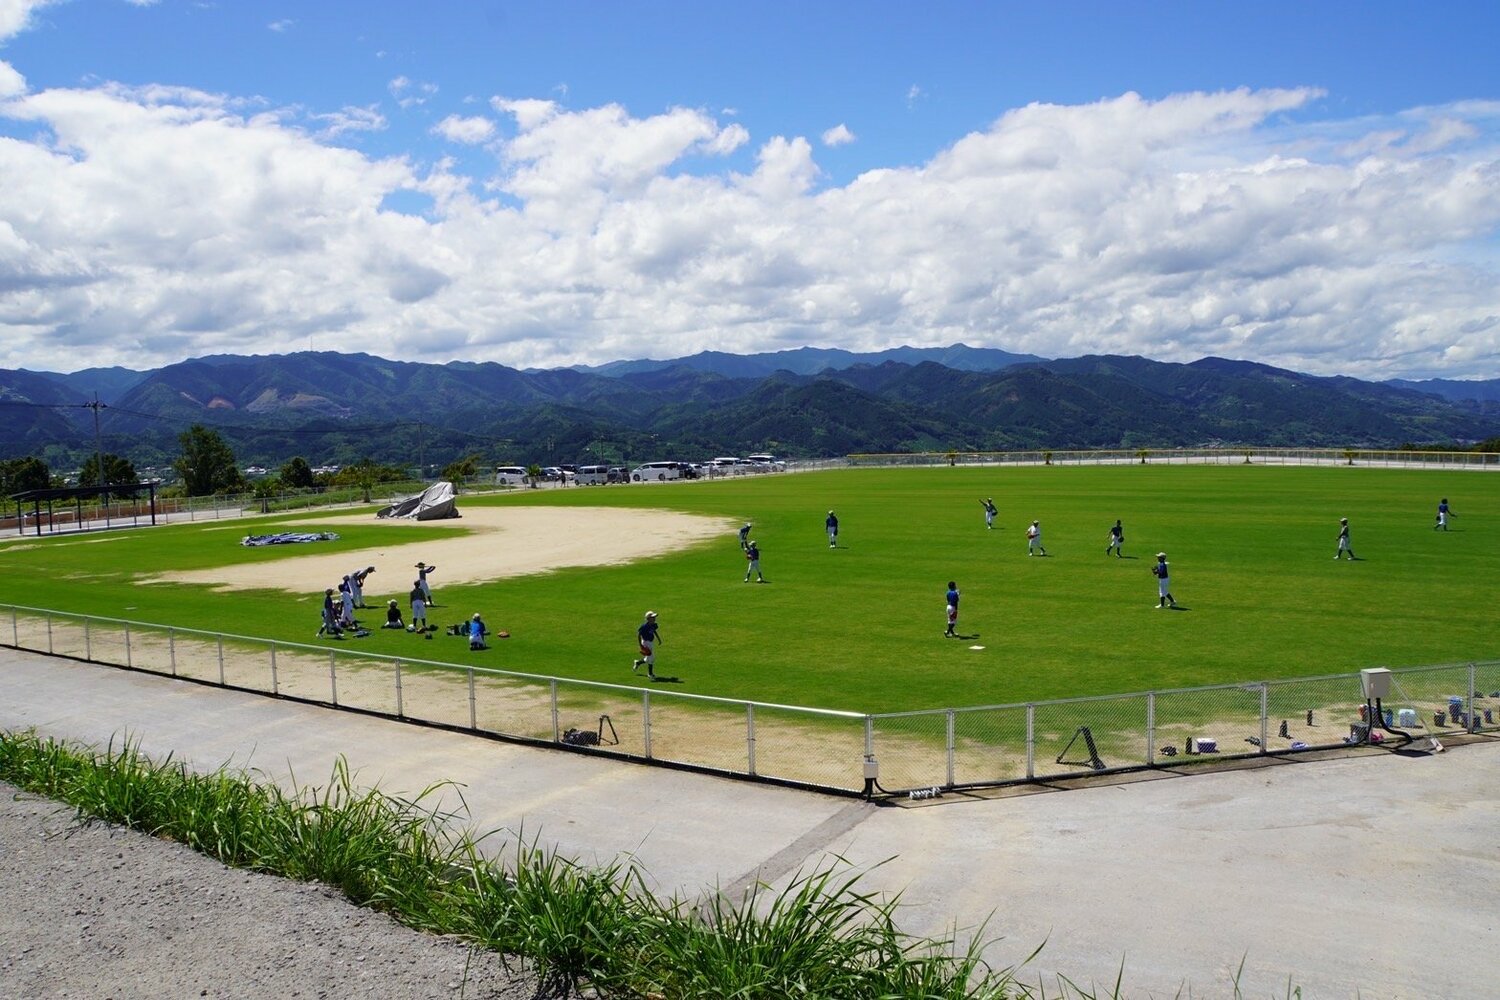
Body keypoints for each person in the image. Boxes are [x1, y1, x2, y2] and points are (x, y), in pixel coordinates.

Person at [632, 610, 661, 680]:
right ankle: (650, 674)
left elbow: (654, 631)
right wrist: (641, 646)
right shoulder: (644, 626)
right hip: (645, 642)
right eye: (653, 617)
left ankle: (638, 662)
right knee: (651, 658)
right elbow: (639, 635)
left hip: (651, 643)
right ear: (648, 619)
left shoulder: (653, 624)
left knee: (648, 659)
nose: (654, 618)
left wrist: (659, 639)